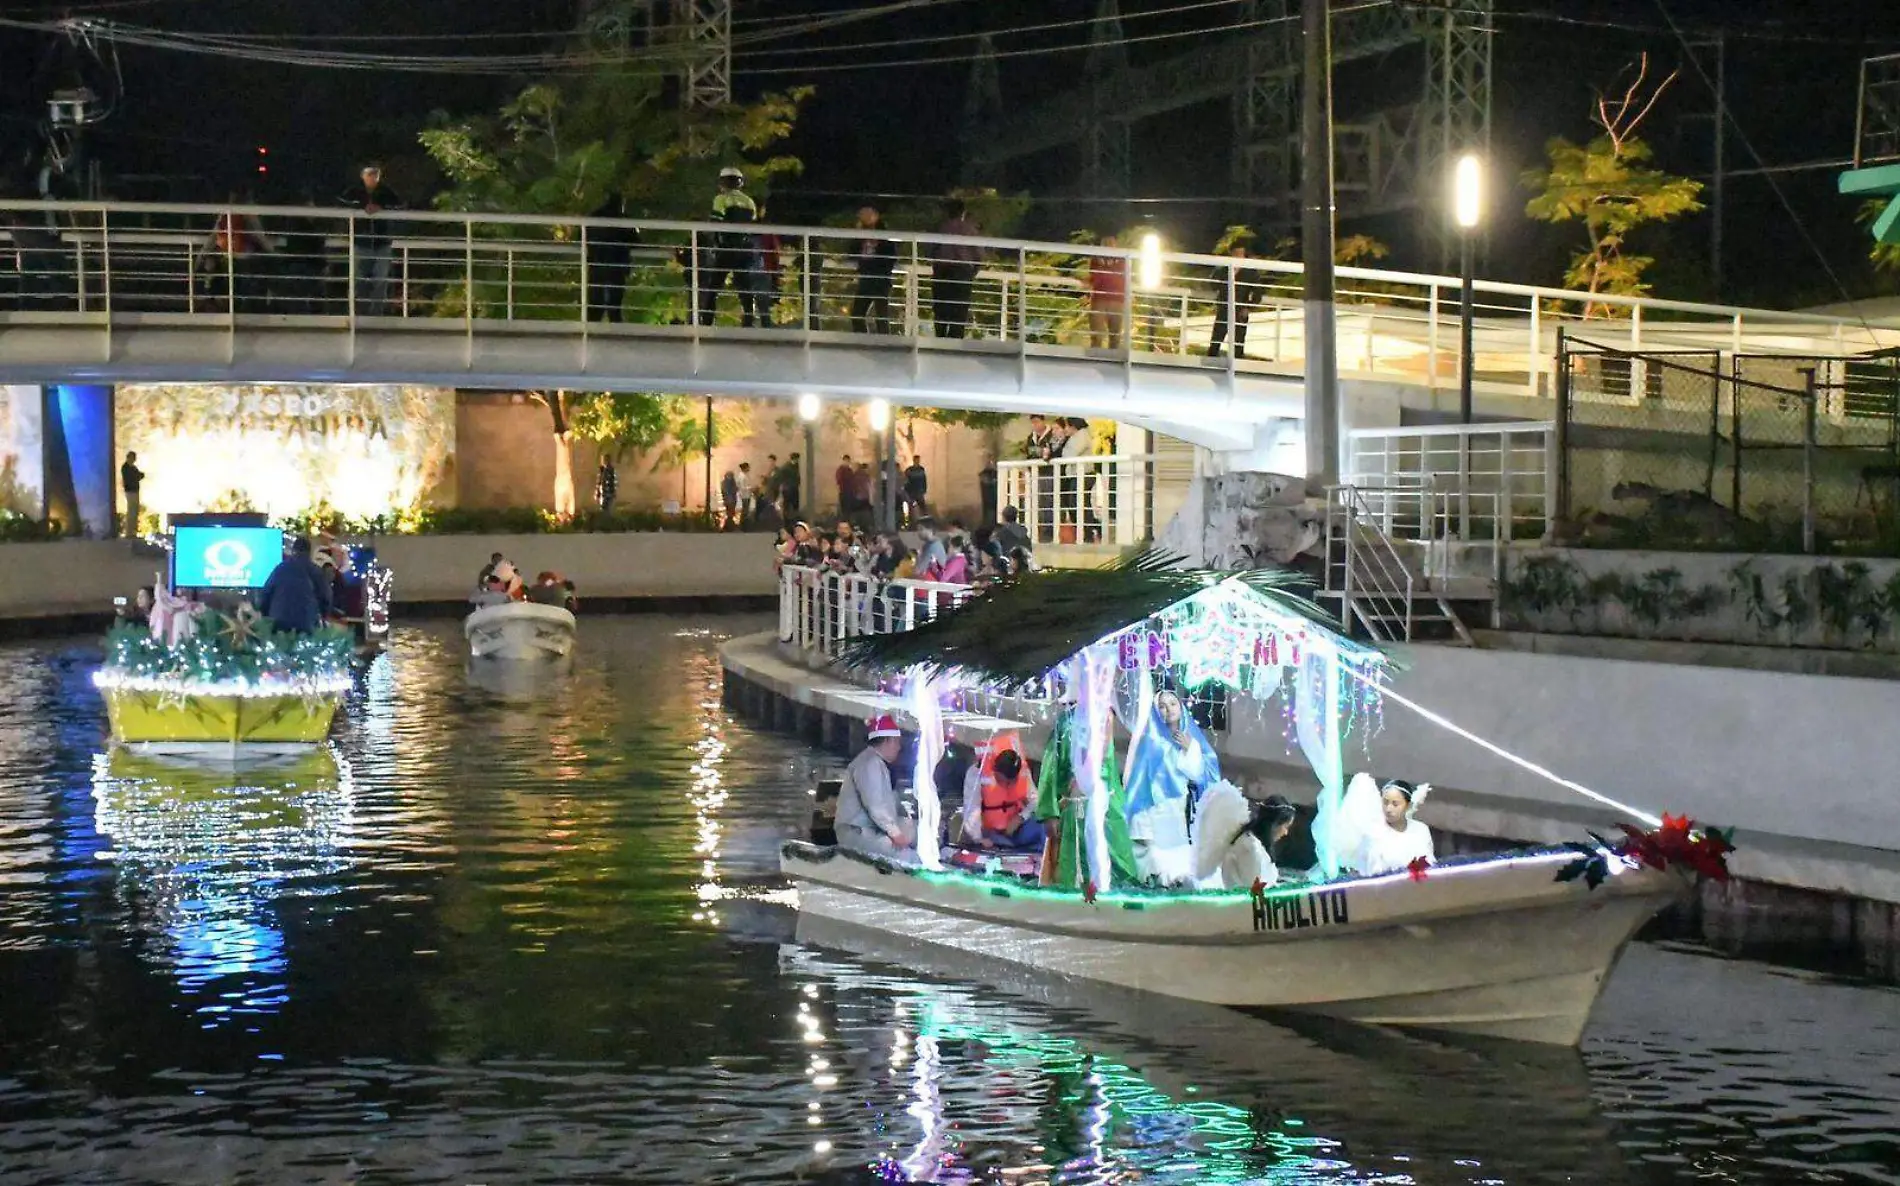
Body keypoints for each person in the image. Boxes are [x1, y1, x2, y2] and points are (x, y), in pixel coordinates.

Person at [1034, 701, 1139, 890]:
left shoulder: (1106, 715)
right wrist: (1050, 812)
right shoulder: (1066, 722)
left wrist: (1119, 804)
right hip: (1075, 805)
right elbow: (1051, 767)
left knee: (1117, 861)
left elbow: (1109, 767)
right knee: (1074, 864)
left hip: (1106, 803)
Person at [1123, 687, 1222, 884]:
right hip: (1155, 811)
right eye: (1162, 706)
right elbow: (1140, 785)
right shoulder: (1150, 742)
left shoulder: (1191, 738)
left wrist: (1190, 749)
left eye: (1173, 704)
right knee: (1158, 863)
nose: (1169, 709)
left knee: (1182, 863)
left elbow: (1201, 774)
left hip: (1179, 810)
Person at [834, 715, 916, 860]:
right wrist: (895, 833)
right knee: (908, 857)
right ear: (886, 741)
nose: (899, 747)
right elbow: (875, 805)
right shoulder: (870, 764)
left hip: (872, 829)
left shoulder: (878, 763)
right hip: (856, 832)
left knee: (918, 833)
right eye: (896, 742)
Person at [1190, 786, 1297, 890]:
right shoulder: (1249, 847)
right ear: (1275, 824)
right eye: (1285, 827)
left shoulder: (1255, 844)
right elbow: (1253, 887)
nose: (1285, 832)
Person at [698, 165, 765, 327]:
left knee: (714, 286)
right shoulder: (749, 202)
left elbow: (715, 223)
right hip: (745, 248)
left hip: (726, 248)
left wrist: (714, 244)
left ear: (722, 182)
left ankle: (707, 321)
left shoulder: (721, 199)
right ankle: (749, 320)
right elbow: (754, 227)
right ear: (740, 183)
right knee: (744, 286)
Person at [337, 162, 404, 316]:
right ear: (363, 176)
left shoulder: (386, 192)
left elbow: (399, 205)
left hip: (382, 241)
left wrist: (381, 208)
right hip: (361, 240)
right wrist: (362, 207)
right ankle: (356, 313)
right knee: (358, 280)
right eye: (369, 174)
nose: (372, 177)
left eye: (375, 174)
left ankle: (376, 314)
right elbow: (341, 204)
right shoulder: (354, 191)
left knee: (380, 279)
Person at [961, 736, 1044, 852]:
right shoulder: (976, 774)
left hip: (1017, 828)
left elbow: (1036, 800)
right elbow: (971, 810)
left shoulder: (1022, 771)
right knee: (1006, 847)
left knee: (1043, 827)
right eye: (1002, 781)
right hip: (991, 833)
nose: (1006, 785)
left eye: (1011, 782)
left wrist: (1020, 817)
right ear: (995, 771)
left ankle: (1042, 861)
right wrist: (978, 838)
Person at [1341, 775, 1436, 876]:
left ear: (1408, 806)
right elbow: (1372, 872)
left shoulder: (1421, 830)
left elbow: (1428, 863)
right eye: (1385, 803)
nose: (1388, 809)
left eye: (1395, 804)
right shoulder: (1373, 833)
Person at [929, 199, 983, 339]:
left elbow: (931, 250)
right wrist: (973, 271)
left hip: (942, 270)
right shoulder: (970, 229)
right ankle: (955, 341)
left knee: (941, 308)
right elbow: (979, 254)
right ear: (963, 212)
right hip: (962, 271)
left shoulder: (941, 227)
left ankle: (940, 338)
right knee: (959, 310)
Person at [257, 536, 333, 634]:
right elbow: (326, 596)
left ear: (293, 550)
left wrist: (265, 614)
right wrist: (323, 614)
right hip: (306, 621)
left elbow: (266, 594)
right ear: (309, 552)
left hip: (279, 620)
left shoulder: (280, 568)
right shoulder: (315, 570)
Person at [586, 192, 640, 323]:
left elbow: (584, 237)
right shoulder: (624, 220)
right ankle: (615, 324)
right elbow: (636, 242)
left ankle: (592, 325)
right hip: (617, 263)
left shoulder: (594, 217)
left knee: (595, 298)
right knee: (615, 301)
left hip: (597, 262)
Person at [1207, 241, 1265, 359]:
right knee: (1216, 338)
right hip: (1224, 308)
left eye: (1240, 253)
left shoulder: (1250, 271)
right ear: (1231, 254)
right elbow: (1213, 284)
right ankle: (1210, 361)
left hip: (1240, 310)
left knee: (1238, 341)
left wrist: (1248, 307)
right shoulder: (1224, 269)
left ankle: (1237, 364)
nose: (1238, 256)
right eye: (1235, 253)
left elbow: (1258, 292)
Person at [850, 205, 898, 334]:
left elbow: (891, 256)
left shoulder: (884, 236)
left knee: (881, 315)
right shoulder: (862, 236)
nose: (863, 218)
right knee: (857, 314)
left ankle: (883, 343)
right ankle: (864, 341)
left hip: (880, 279)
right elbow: (852, 251)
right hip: (866, 278)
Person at [1086, 234, 1128, 349]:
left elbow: (1120, 278)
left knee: (1115, 337)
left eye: (1111, 244)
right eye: (1106, 244)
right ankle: (1095, 361)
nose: (1109, 246)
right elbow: (1096, 278)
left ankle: (1112, 363)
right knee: (1097, 337)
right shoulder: (1095, 259)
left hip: (1116, 300)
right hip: (1100, 300)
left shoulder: (1122, 259)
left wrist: (1104, 271)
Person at [119, 451, 143, 537]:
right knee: (131, 512)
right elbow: (134, 477)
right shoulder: (126, 468)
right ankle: (129, 532)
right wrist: (138, 476)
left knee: (135, 511)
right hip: (130, 491)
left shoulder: (132, 468)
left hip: (134, 491)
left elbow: (138, 475)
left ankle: (133, 531)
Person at [903, 455, 928, 522]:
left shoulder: (921, 469)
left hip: (919, 491)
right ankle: (911, 521)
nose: (917, 461)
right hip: (912, 492)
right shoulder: (909, 470)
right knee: (912, 507)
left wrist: (924, 488)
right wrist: (907, 491)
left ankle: (924, 520)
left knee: (922, 506)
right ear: (914, 460)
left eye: (918, 460)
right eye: (916, 460)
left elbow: (924, 479)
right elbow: (906, 481)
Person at [978, 453, 999, 526]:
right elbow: (986, 482)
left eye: (991, 461)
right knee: (989, 520)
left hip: (995, 502)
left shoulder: (996, 473)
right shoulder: (983, 475)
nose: (990, 463)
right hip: (989, 504)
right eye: (988, 461)